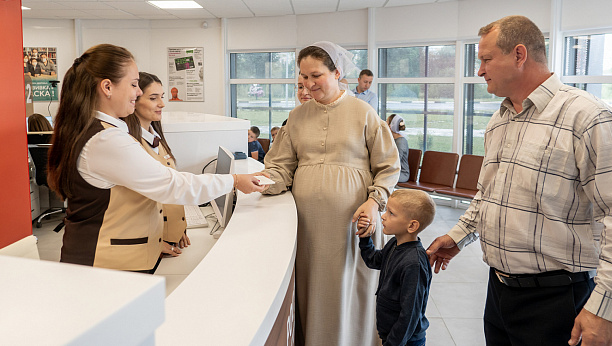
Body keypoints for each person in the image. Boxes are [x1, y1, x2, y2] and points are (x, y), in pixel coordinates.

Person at [425, 16, 612, 346]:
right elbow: (490, 194)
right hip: (499, 292)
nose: (480, 70)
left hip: (558, 300)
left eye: (486, 59)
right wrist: (459, 236)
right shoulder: (500, 121)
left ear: (519, 54)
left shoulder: (589, 117)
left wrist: (605, 309)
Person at [47, 44, 266, 273]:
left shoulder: (99, 131)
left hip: (112, 261)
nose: (138, 92)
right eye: (133, 85)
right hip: (105, 266)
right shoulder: (106, 140)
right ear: (107, 87)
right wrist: (234, 181)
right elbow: (171, 185)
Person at [261, 41, 400, 345]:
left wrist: (375, 202)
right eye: (303, 77)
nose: (309, 84)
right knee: (312, 288)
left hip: (352, 222)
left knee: (346, 290)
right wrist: (257, 183)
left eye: (316, 75)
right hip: (307, 225)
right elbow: (280, 167)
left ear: (337, 72)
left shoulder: (364, 113)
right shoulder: (296, 117)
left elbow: (389, 166)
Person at [123, 71, 190, 257]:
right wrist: (154, 242)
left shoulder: (155, 137)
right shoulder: (130, 144)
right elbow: (131, 204)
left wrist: (179, 227)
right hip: (151, 244)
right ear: (134, 100)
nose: (162, 104)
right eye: (153, 98)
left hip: (170, 238)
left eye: (161, 97)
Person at [357, 189, 435, 346]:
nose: (383, 216)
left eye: (391, 213)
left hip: (406, 341)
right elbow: (374, 260)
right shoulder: (394, 243)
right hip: (393, 336)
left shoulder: (414, 264)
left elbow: (410, 314)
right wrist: (366, 238)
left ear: (412, 225)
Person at [387, 114, 409, 183]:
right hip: (392, 172)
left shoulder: (401, 141)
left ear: (390, 126)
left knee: (380, 177)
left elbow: (396, 161)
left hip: (401, 174)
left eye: (386, 122)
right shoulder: (391, 139)